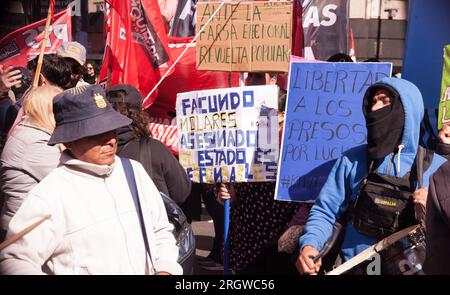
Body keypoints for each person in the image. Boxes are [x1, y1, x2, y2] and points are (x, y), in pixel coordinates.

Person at [0, 84, 182, 275]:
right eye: (96, 133)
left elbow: (161, 231)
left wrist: (165, 269)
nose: (111, 140)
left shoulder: (134, 172)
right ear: (69, 140)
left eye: (112, 129)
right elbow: (16, 259)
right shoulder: (50, 194)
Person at [296, 77, 447, 275]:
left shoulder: (438, 168)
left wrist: (435, 212)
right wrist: (309, 245)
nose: (375, 109)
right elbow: (325, 212)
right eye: (373, 101)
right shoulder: (352, 160)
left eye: (385, 101)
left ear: (407, 109)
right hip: (353, 268)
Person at [217, 72, 300, 274]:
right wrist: (225, 194)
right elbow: (227, 190)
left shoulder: (296, 147)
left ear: (283, 115)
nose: (263, 117)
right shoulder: (242, 142)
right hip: (246, 233)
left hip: (280, 235)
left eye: (270, 112)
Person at [105, 84, 191, 204]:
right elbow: (181, 192)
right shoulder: (154, 149)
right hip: (152, 221)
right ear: (139, 114)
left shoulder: (90, 151)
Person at [0, 85, 62, 238]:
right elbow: (67, 176)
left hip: (29, 225)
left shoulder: (31, 132)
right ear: (48, 109)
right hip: (25, 231)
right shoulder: (33, 142)